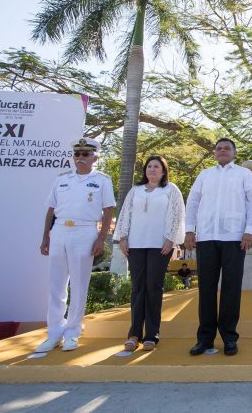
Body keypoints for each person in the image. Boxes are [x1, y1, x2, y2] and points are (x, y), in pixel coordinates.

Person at [36, 138, 115, 352]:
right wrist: (46, 237)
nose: (80, 158)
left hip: (85, 230)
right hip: (60, 230)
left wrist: (100, 239)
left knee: (79, 284)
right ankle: (54, 332)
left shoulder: (102, 180)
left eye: (85, 155)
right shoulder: (62, 179)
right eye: (77, 154)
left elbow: (108, 210)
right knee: (56, 284)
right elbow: (51, 210)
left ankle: (72, 331)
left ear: (95, 157)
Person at [184, 138, 252, 356]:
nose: (222, 151)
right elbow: (193, 202)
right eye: (219, 149)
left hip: (235, 238)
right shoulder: (205, 175)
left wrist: (249, 231)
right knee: (206, 289)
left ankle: (229, 337)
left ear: (234, 153)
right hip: (206, 237)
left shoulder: (244, 174)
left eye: (227, 148)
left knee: (231, 289)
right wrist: (190, 230)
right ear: (214, 153)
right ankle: (205, 338)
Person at [114, 155, 185, 352]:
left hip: (159, 245)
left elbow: (178, 215)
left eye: (156, 166)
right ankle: (134, 334)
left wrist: (171, 239)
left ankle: (151, 335)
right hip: (135, 245)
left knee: (153, 286)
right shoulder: (135, 191)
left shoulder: (171, 190)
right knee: (138, 287)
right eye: (149, 166)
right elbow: (125, 213)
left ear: (163, 171)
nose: (152, 169)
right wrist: (123, 237)